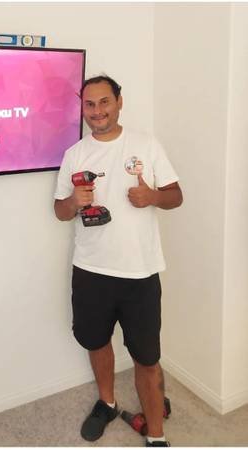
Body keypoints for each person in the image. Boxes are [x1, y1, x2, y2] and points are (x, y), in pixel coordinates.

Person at [53, 75, 183, 447]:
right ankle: (107, 403)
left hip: (139, 272)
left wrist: (152, 196)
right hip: (91, 270)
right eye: (90, 104)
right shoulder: (75, 153)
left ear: (119, 102)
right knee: (96, 342)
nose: (97, 111)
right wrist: (73, 202)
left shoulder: (146, 144)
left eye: (104, 102)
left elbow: (176, 196)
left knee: (147, 358)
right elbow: (60, 211)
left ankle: (156, 435)